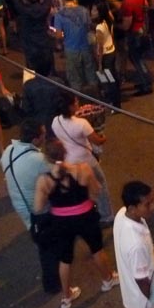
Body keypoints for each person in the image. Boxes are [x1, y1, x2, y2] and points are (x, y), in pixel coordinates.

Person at [33, 140, 119, 308]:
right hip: (86, 217)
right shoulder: (83, 169)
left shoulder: (44, 180)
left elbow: (38, 207)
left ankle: (66, 297)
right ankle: (108, 280)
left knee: (65, 259)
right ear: (65, 152)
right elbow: (96, 190)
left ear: (46, 158)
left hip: (61, 223)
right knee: (96, 249)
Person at [0, 119, 59, 294]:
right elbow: (57, 173)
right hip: (37, 210)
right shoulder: (38, 159)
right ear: (35, 139)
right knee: (48, 249)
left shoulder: (8, 151)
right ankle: (53, 284)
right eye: (42, 133)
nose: (45, 135)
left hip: (19, 204)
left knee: (38, 236)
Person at [51, 93, 114, 225]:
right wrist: (103, 136)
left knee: (82, 188)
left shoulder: (55, 122)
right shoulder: (81, 123)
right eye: (75, 102)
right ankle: (106, 215)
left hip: (69, 161)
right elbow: (97, 141)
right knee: (100, 184)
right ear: (70, 107)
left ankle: (87, 210)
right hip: (86, 160)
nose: (77, 103)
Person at [113, 181, 154, 308]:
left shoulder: (122, 214)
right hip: (143, 300)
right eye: (147, 204)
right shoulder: (136, 244)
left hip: (133, 295)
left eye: (152, 201)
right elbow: (142, 281)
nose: (153, 207)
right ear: (132, 208)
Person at [54, 0, 99, 96]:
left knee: (74, 78)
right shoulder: (83, 10)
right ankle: (96, 98)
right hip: (85, 47)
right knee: (90, 74)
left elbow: (58, 35)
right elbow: (89, 26)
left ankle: (78, 101)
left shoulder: (59, 15)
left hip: (71, 48)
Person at [115, 0, 153, 97]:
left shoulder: (127, 2)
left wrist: (115, 25)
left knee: (137, 59)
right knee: (139, 58)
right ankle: (145, 80)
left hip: (135, 32)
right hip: (142, 27)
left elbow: (126, 25)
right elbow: (146, 5)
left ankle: (146, 84)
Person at [92, 1, 122, 110]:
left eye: (95, 10)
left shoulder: (99, 27)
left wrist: (99, 64)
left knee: (107, 79)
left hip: (105, 57)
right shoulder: (109, 21)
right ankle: (115, 100)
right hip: (112, 51)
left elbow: (99, 47)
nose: (92, 12)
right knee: (112, 78)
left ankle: (114, 102)